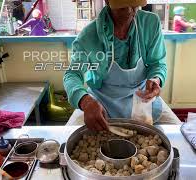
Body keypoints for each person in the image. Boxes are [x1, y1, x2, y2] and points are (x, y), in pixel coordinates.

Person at [64, 0, 181, 131]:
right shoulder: (89, 37)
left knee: (177, 132)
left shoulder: (150, 23)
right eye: (123, 8)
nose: (131, 11)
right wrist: (85, 102)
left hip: (142, 98)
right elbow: (72, 75)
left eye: (135, 6)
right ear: (107, 2)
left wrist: (156, 78)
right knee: (68, 135)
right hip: (102, 100)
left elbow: (157, 63)